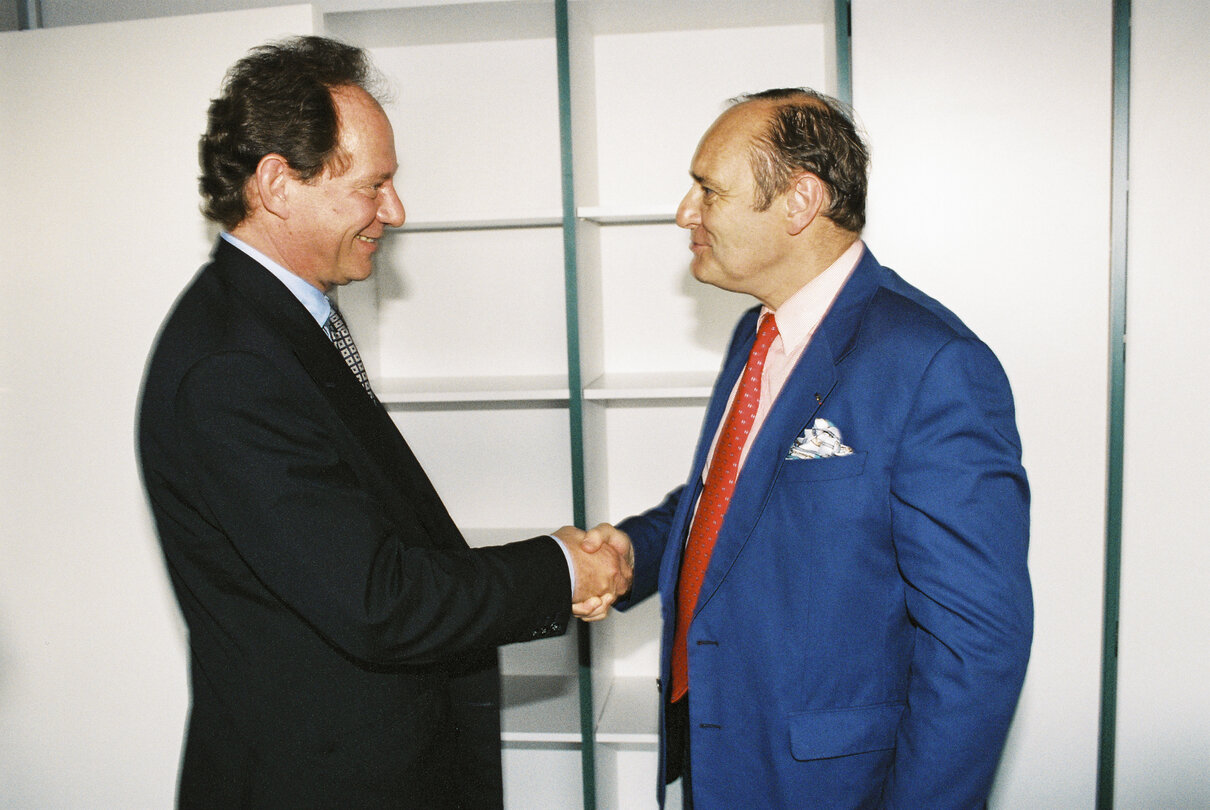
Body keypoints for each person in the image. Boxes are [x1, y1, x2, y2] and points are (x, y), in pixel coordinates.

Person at [137, 36, 630, 809]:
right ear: (277, 183)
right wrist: (560, 569)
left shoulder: (278, 324)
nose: (395, 212)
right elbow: (379, 601)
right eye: (375, 186)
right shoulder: (233, 367)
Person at [581, 88, 1033, 808]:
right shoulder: (755, 331)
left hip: (829, 784)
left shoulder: (932, 366)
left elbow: (976, 648)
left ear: (799, 202)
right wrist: (633, 554)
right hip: (723, 751)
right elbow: (731, 500)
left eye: (708, 190)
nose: (683, 213)